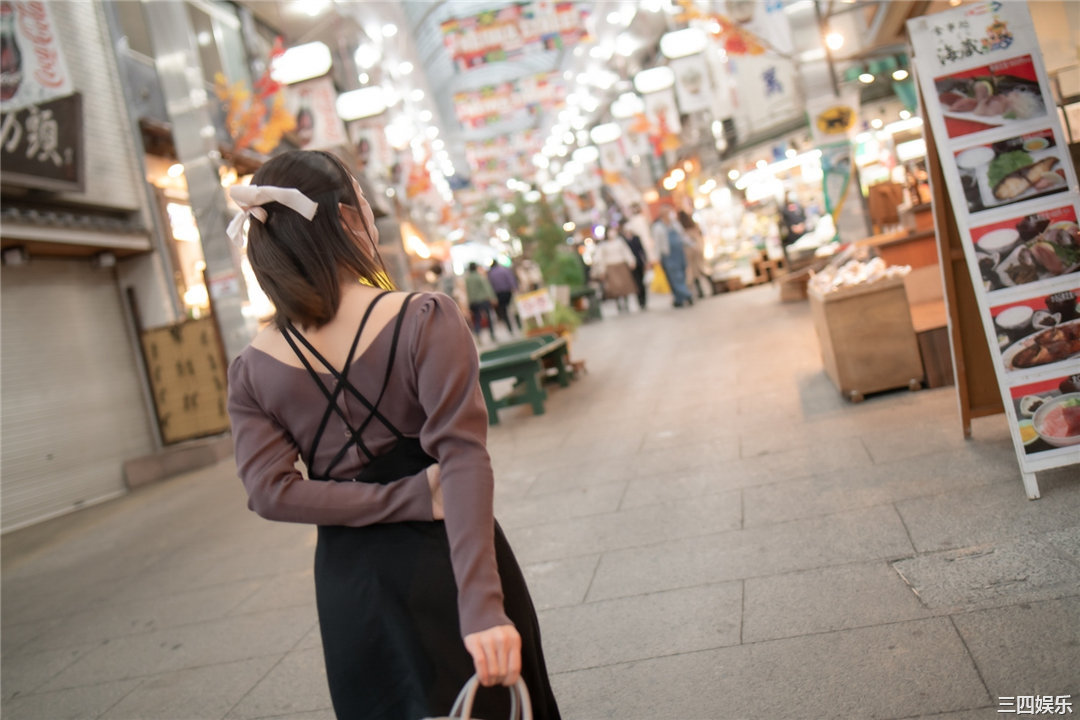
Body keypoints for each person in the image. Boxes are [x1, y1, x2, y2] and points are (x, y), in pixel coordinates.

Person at [224, 150, 560, 720]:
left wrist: (384, 500)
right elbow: (462, 460)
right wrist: (481, 606)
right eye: (365, 203)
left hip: (351, 587)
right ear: (348, 219)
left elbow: (271, 492)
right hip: (450, 563)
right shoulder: (425, 318)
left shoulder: (252, 367)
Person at [651, 208, 694, 308]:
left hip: (679, 253)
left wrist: (691, 244)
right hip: (668, 255)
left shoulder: (675, 224)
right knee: (675, 277)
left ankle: (679, 299)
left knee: (682, 274)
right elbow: (657, 244)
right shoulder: (658, 227)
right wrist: (656, 257)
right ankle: (687, 295)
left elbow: (682, 236)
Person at [592, 226, 638, 313]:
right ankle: (619, 303)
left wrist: (631, 261)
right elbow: (600, 259)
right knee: (615, 287)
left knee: (625, 285)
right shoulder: (603, 245)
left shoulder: (619, 242)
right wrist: (602, 270)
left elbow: (626, 252)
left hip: (621, 265)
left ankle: (626, 302)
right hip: (611, 267)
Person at [677, 209, 708, 300]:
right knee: (701, 268)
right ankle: (707, 288)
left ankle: (700, 291)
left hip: (689, 252)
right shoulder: (694, 226)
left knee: (694, 271)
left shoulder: (682, 229)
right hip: (698, 249)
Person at [618, 219, 649, 310]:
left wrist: (645, 261)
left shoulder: (636, 238)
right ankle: (639, 300)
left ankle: (643, 299)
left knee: (641, 282)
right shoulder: (623, 240)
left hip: (639, 263)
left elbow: (642, 250)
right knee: (636, 282)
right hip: (630, 265)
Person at [465, 261, 497, 343]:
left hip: (473, 301)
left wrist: (469, 302)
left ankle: (478, 334)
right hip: (483, 300)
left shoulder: (467, 279)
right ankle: (492, 334)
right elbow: (486, 288)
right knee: (488, 316)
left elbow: (467, 291)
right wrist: (492, 298)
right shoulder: (480, 277)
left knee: (477, 318)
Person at [487, 260, 519, 335]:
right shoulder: (504, 270)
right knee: (513, 308)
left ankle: (509, 328)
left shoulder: (491, 273)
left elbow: (490, 285)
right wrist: (514, 287)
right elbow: (510, 279)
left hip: (498, 294)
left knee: (504, 311)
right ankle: (518, 324)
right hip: (508, 292)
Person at [779, 193, 807, 264]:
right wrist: (794, 228)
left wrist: (802, 225)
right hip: (793, 236)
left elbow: (803, 217)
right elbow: (785, 222)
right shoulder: (784, 210)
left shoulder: (799, 207)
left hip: (803, 234)